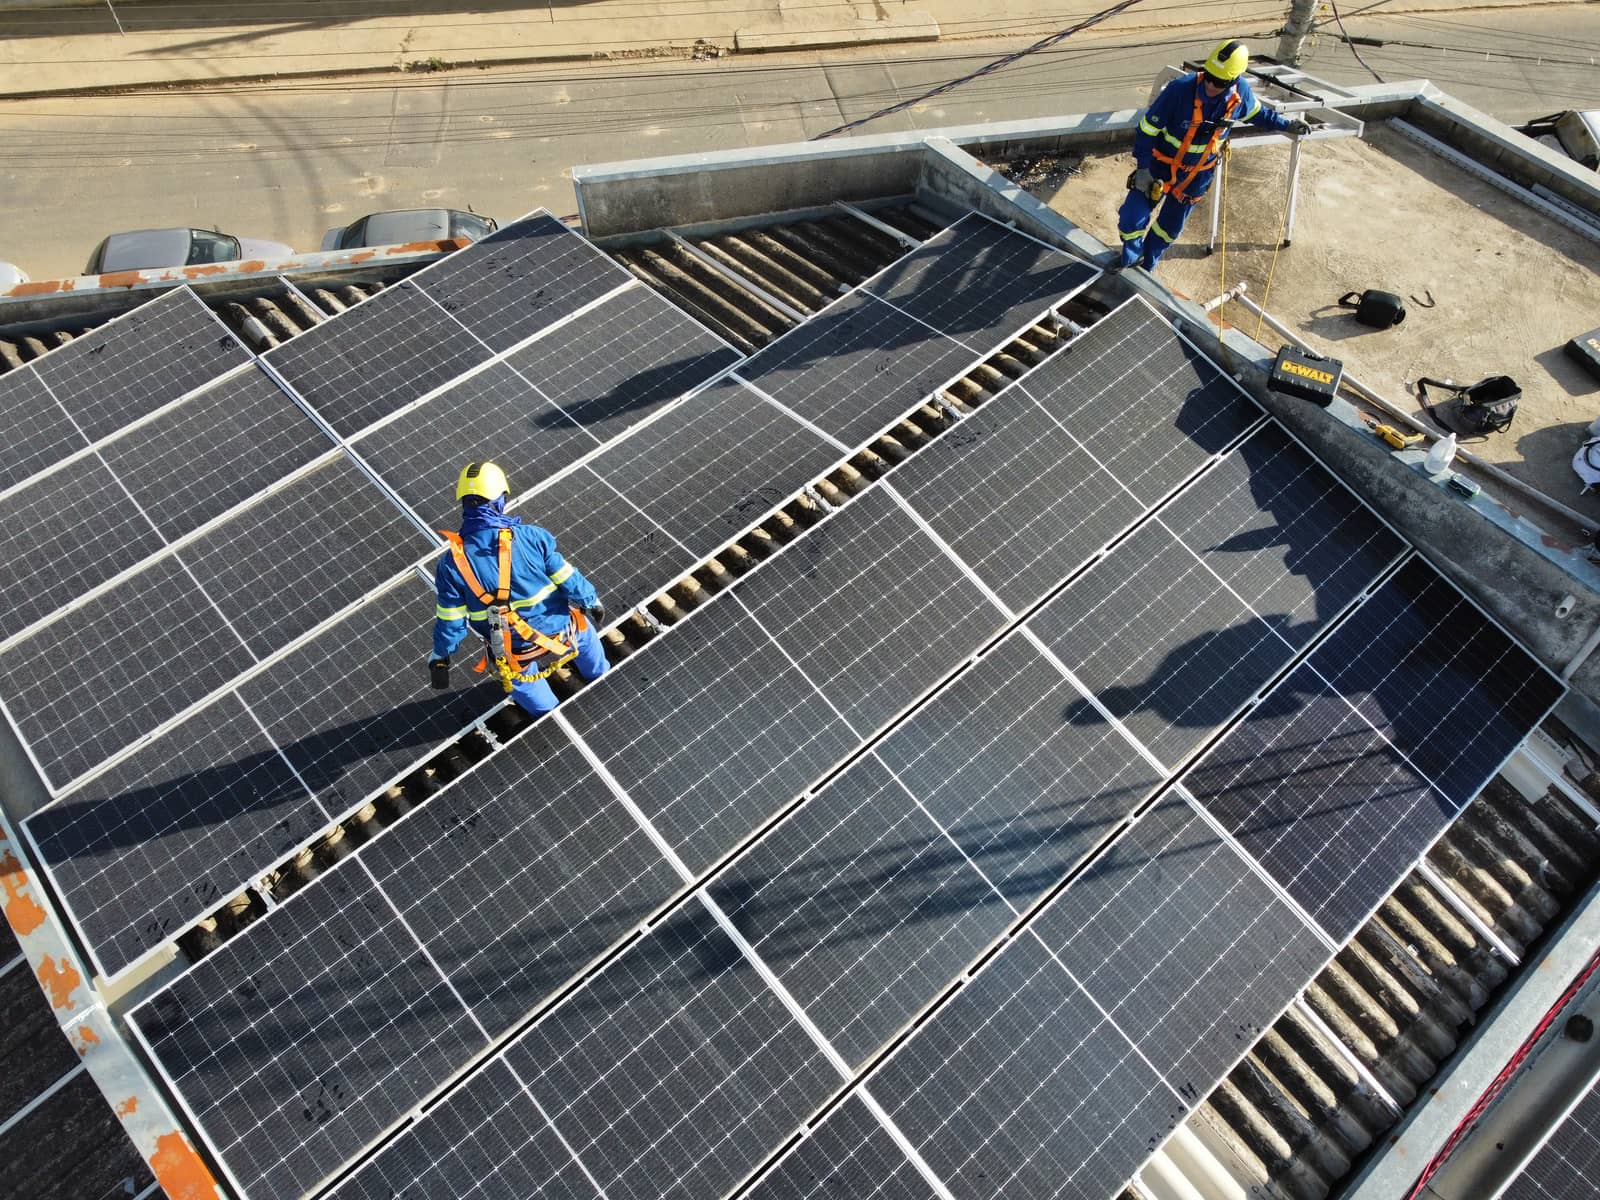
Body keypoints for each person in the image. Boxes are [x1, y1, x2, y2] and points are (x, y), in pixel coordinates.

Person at [428, 461, 609, 717]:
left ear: (464, 503)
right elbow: (566, 576)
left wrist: (440, 655)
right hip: (561, 629)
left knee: (523, 684)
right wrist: (591, 600)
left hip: (512, 650)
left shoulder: (450, 565)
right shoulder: (531, 537)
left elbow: (450, 621)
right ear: (499, 500)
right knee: (585, 635)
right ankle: (601, 677)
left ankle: (549, 718)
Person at [1116, 39, 1310, 273]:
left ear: (1233, 80)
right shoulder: (1179, 90)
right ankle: (1131, 258)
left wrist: (1287, 125)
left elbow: (1259, 114)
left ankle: (1146, 268)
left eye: (1218, 82)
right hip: (1159, 166)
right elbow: (1147, 129)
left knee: (1168, 229)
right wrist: (1144, 168)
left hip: (1196, 177)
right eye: (1208, 76)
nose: (1210, 84)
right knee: (1131, 218)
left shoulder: (1240, 95)